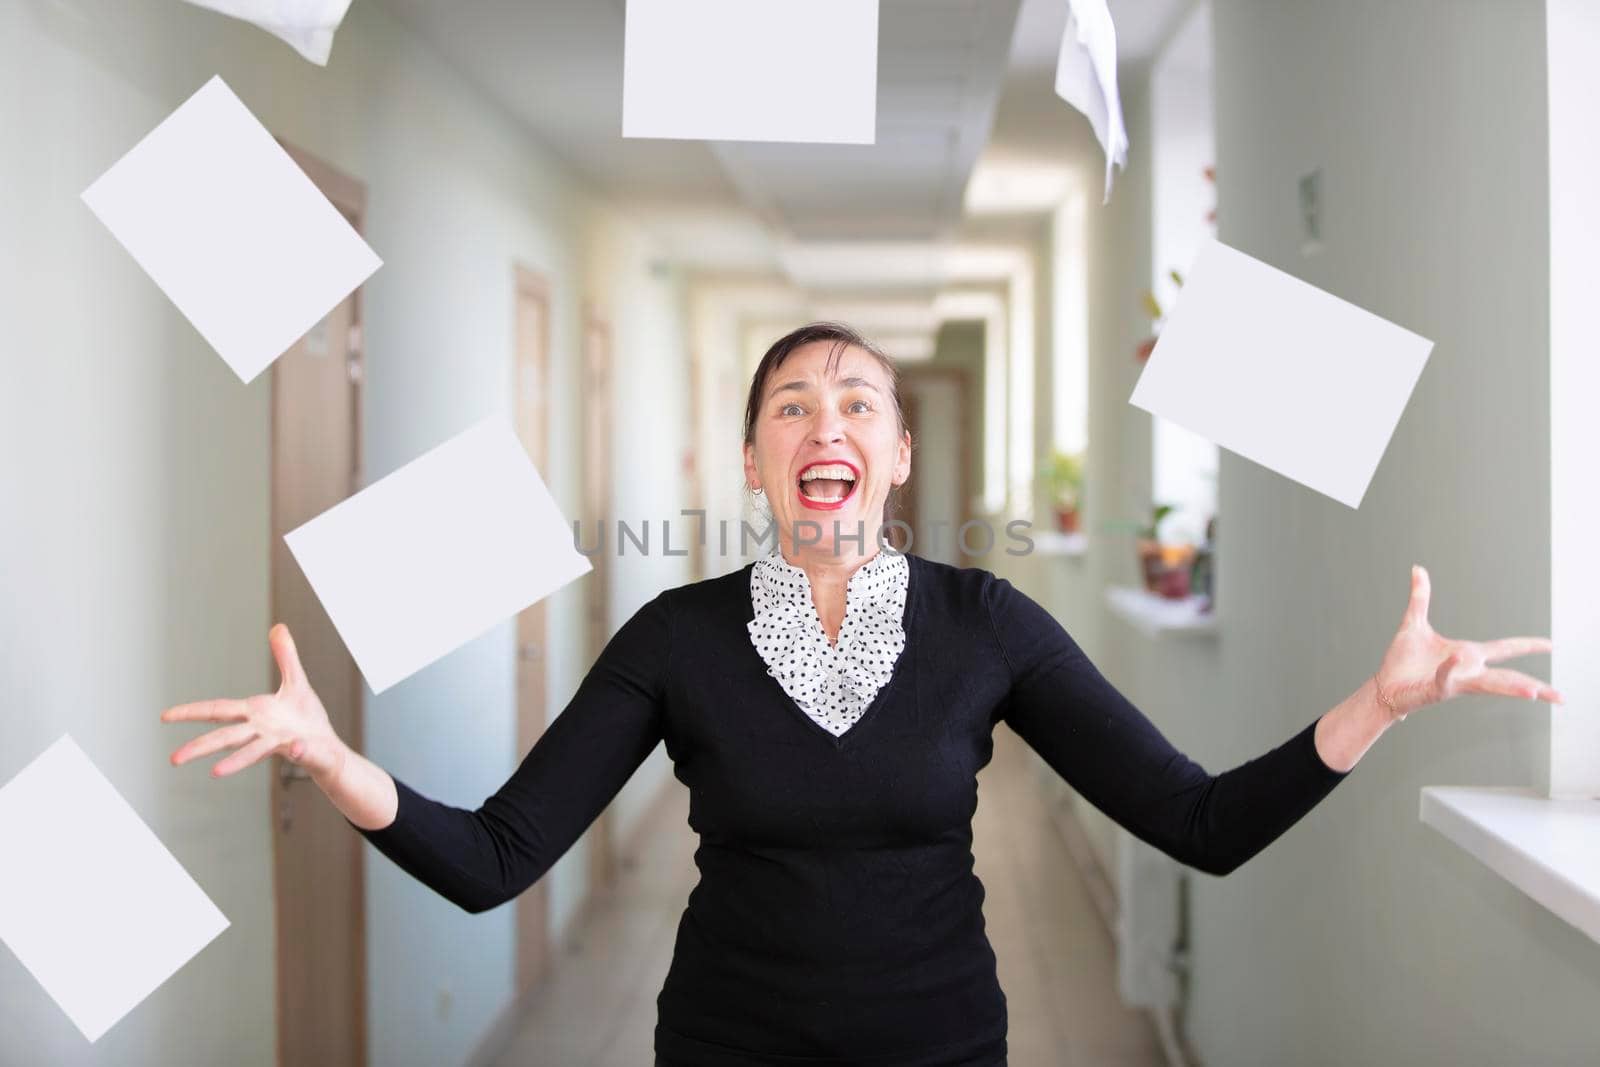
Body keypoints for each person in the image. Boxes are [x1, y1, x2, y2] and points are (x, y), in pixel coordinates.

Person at [162, 322, 1560, 1066]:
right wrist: (333, 760)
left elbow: (1198, 820)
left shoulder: (987, 623)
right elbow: (495, 859)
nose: (823, 422)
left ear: (894, 458)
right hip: (725, 1047)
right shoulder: (676, 638)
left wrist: (1375, 705)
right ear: (756, 465)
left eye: (856, 405)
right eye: (790, 406)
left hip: (943, 1048)